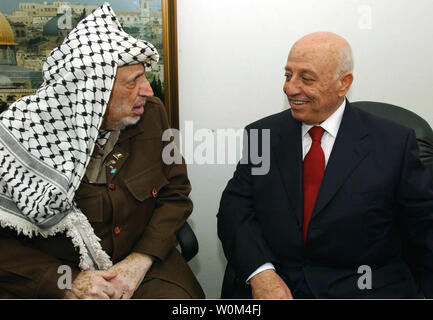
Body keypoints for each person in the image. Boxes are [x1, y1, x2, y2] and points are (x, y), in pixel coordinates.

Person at [0, 3, 204, 299]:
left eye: (145, 76)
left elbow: (176, 193)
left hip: (145, 265)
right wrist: (67, 282)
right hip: (60, 277)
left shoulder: (153, 116)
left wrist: (139, 261)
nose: (148, 91)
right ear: (92, 92)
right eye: (133, 82)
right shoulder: (16, 138)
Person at [217, 31, 433, 299]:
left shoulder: (394, 143)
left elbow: (424, 229)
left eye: (306, 78)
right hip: (277, 284)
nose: (290, 88)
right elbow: (234, 210)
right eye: (287, 75)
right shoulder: (263, 136)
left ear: (343, 83)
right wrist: (262, 273)